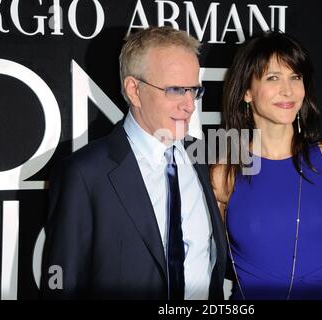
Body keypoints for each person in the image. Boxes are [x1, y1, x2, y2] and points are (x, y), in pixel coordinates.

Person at [40, 26, 228, 299]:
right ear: (134, 90)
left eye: (193, 91)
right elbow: (61, 286)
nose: (189, 105)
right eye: (176, 90)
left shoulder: (203, 159)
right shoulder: (84, 174)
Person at [210, 30, 322, 300]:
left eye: (295, 77)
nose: (288, 90)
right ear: (246, 91)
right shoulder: (224, 173)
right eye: (272, 78)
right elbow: (205, 266)